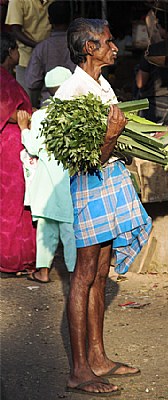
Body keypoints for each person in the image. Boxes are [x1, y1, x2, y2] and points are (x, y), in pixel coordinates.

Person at [54, 18, 152, 396]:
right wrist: (111, 137)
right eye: (108, 43)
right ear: (89, 48)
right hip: (90, 186)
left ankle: (98, 357)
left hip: (110, 181)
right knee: (83, 273)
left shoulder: (102, 84)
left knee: (101, 270)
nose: (115, 47)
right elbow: (84, 161)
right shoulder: (72, 93)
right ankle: (79, 370)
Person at [17, 66, 76, 284]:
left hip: (46, 182)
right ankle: (74, 272)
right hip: (68, 181)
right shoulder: (75, 115)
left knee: (46, 227)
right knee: (69, 229)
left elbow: (32, 147)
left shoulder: (41, 116)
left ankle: (43, 271)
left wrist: (24, 127)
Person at [0, 32, 36, 275]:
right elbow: (13, 113)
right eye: (15, 51)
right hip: (11, 148)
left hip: (9, 145)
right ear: (10, 52)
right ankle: (12, 259)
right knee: (15, 203)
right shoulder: (4, 81)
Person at [25, 0, 75, 107]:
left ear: (49, 20)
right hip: (76, 105)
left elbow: (32, 82)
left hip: (48, 107)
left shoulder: (41, 48)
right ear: (71, 19)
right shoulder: (79, 46)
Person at [5, 0, 53, 106]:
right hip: (26, 58)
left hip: (50, 58)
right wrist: (39, 46)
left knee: (50, 102)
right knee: (27, 102)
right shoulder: (17, 1)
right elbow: (15, 30)